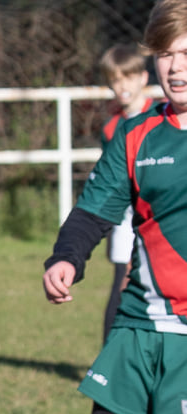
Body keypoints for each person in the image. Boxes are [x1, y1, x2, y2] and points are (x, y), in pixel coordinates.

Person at [42, 0, 187, 414]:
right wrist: (67, 257)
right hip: (136, 326)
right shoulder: (135, 135)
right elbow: (94, 206)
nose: (176, 67)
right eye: (167, 54)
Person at [98, 44, 156, 342]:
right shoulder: (112, 127)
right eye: (116, 79)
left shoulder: (163, 115)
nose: (122, 86)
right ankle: (111, 354)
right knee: (123, 282)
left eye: (128, 77)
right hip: (126, 215)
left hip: (161, 211)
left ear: (143, 78)